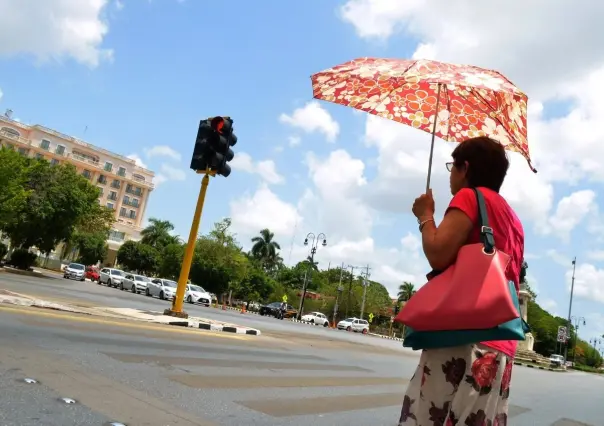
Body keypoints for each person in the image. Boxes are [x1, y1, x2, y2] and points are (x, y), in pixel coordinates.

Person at [399, 136, 524, 425]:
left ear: (465, 168)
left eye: (452, 168)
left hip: (464, 339)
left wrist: (425, 216)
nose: (451, 177)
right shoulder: (513, 219)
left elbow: (439, 254)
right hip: (500, 348)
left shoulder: (469, 197)